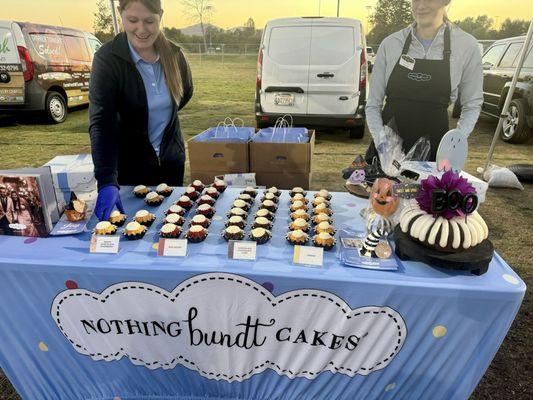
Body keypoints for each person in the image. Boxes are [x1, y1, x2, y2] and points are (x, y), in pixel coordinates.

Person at [89, 0, 193, 221]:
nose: (141, 29)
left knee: (169, 231)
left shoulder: (174, 56)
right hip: (130, 169)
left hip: (171, 164)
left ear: (160, 16)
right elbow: (101, 124)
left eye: (149, 21)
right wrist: (107, 180)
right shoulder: (108, 60)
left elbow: (185, 94)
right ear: (120, 14)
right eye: (133, 20)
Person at [365, 0, 483, 163]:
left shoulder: (466, 46)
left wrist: (454, 143)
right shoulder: (391, 44)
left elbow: (472, 104)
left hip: (434, 154)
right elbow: (372, 104)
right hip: (386, 154)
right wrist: (383, 145)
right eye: (416, 0)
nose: (420, 6)